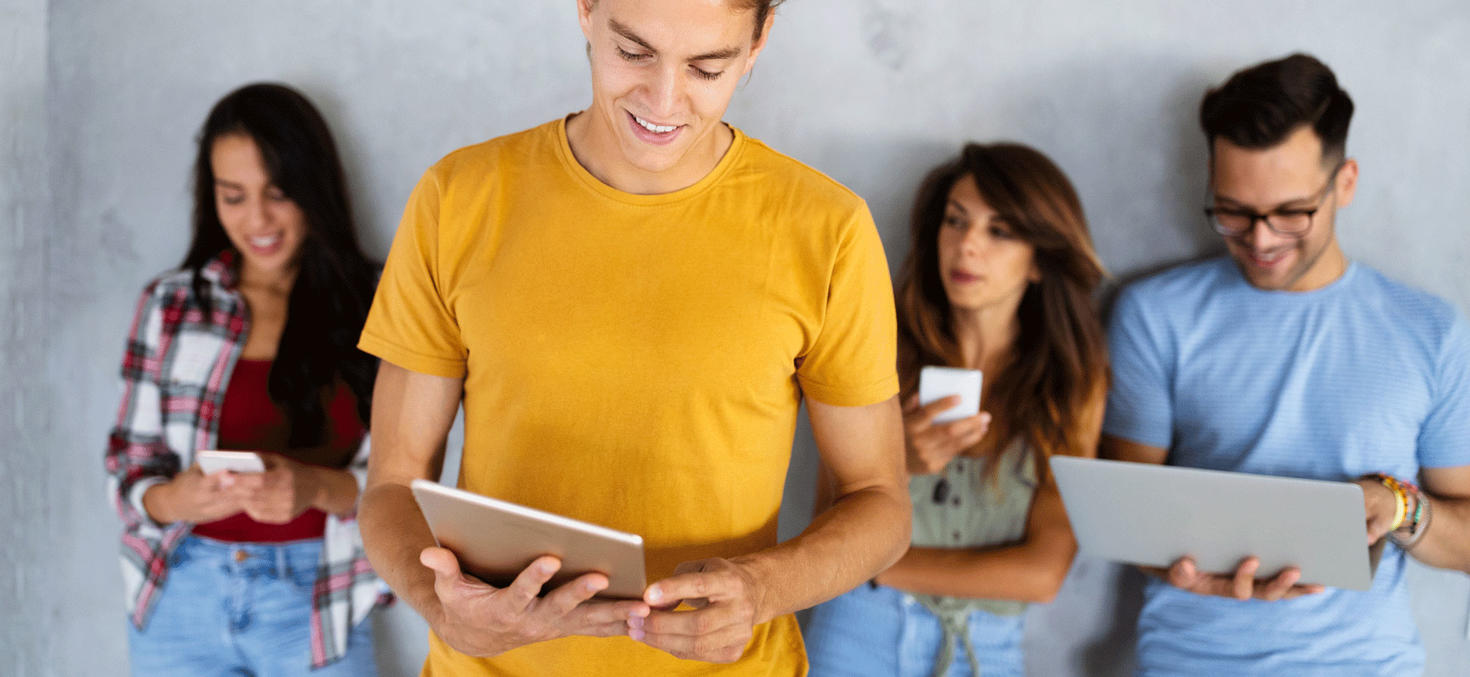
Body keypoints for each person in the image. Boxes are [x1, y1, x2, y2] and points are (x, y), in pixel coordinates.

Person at [355, 0, 911, 675]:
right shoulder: (458, 197)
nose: (663, 100)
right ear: (587, 11)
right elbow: (391, 483)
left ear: (760, 40)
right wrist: (441, 607)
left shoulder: (829, 230)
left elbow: (880, 503)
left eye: (707, 68)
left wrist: (763, 588)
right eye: (633, 52)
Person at [1102, 53, 1470, 675]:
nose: (1262, 239)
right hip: (1189, 661)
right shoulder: (1153, 314)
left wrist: (1398, 505)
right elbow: (1123, 513)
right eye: (1233, 212)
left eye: (1291, 212)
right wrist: (1197, 571)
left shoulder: (1431, 332)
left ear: (1345, 183)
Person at [105, 82, 389, 675]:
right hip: (182, 593)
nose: (256, 219)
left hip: (319, 600)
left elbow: (406, 485)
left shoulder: (383, 303)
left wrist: (312, 488)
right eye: (233, 196)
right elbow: (128, 463)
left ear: (314, 189)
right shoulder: (172, 306)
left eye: (278, 193)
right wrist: (170, 498)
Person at [804, 143, 1109, 676]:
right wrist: (896, 463)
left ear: (1039, 258)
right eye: (955, 220)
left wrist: (875, 565)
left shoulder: (1073, 384)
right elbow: (821, 528)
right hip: (856, 632)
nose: (967, 244)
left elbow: (1042, 573)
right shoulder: (878, 348)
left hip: (985, 648)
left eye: (1000, 230)